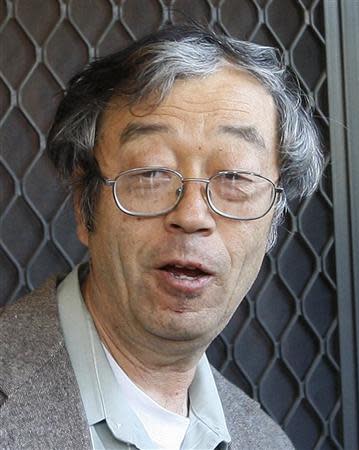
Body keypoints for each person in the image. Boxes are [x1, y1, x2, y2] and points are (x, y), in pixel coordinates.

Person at [0, 25, 322, 450]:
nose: (191, 215)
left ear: (272, 222)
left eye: (235, 177)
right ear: (84, 204)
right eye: (151, 171)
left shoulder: (267, 442)